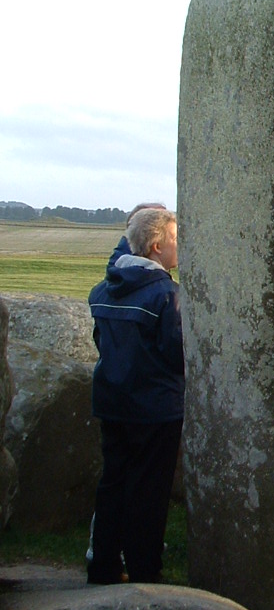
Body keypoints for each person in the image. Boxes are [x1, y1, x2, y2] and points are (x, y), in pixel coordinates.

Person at [87, 207, 183, 584]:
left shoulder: (104, 289)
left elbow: (101, 344)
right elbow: (176, 353)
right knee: (149, 490)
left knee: (113, 483)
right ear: (157, 247)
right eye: (175, 239)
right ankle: (145, 568)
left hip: (112, 401)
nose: (180, 246)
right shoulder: (165, 295)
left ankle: (104, 564)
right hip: (155, 408)